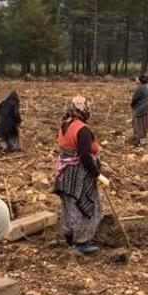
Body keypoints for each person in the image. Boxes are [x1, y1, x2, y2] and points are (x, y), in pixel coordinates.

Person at [53, 96, 110, 255]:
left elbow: (66, 149)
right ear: (84, 110)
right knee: (84, 207)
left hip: (64, 174)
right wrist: (98, 175)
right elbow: (84, 156)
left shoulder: (65, 124)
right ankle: (81, 243)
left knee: (69, 207)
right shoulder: (82, 129)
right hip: (79, 175)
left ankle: (70, 238)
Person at [130, 74, 148, 146]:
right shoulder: (147, 87)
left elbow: (135, 98)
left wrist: (132, 105)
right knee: (144, 124)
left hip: (140, 108)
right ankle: (142, 140)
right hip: (146, 107)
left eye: (137, 79)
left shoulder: (139, 88)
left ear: (140, 81)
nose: (136, 80)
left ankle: (140, 141)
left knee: (138, 124)